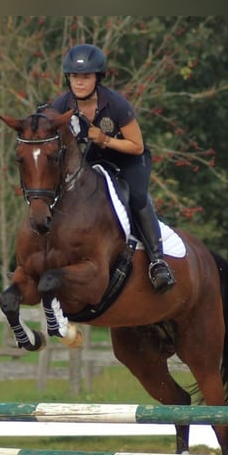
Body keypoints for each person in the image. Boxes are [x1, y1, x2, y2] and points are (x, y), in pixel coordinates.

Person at [51, 43, 176, 294]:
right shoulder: (61, 105)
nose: (79, 82)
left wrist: (106, 140)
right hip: (93, 158)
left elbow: (137, 145)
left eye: (86, 77)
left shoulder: (116, 104)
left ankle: (157, 261)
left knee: (137, 197)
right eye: (75, 76)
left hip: (129, 158)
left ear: (97, 78)